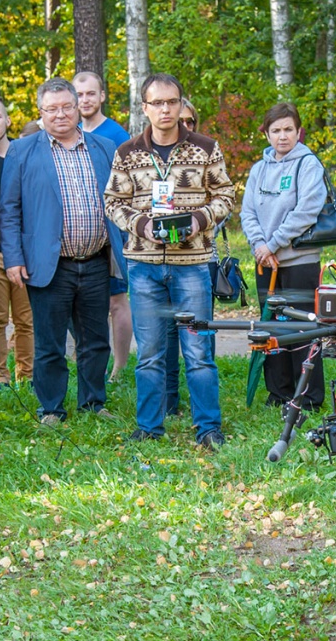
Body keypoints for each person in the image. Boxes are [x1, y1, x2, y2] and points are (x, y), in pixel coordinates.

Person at [104, 73, 234, 449]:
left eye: (172, 102)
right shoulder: (128, 153)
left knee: (198, 351)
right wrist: (141, 224)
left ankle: (208, 428)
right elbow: (112, 202)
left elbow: (224, 194)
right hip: (143, 265)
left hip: (192, 263)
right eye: (157, 103)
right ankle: (149, 426)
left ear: (181, 105)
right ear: (144, 107)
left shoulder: (206, 148)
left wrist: (198, 219)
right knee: (150, 353)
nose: (165, 109)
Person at [0, 77, 125, 425]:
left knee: (95, 340)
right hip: (49, 264)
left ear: (77, 108)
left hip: (97, 261)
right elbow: (8, 210)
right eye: (51, 109)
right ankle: (52, 408)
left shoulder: (103, 148)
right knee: (50, 343)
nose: (60, 114)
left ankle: (93, 402)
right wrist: (13, 259)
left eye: (66, 106)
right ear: (41, 113)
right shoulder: (22, 151)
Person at [240, 102, 327, 409]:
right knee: (273, 329)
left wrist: (274, 244)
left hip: (298, 261)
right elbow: (247, 212)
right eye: (275, 130)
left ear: (298, 131)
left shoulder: (308, 164)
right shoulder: (258, 169)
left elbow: (306, 211)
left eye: (288, 129)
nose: (282, 136)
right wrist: (259, 247)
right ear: (266, 134)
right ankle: (278, 394)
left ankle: (307, 397)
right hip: (265, 262)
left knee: (303, 329)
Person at [73, 71, 133, 382]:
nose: (84, 100)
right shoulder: (70, 130)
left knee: (116, 300)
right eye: (79, 95)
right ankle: (91, 361)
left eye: (90, 94)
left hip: (112, 230)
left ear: (102, 96)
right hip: (80, 234)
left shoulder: (116, 135)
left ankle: (120, 368)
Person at [0, 95, 33, 389]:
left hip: (23, 252)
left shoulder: (21, 154)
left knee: (26, 319)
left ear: (8, 120)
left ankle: (26, 375)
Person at [163, 98, 199, 416]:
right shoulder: (152, 157)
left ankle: (202, 402)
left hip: (197, 258)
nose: (185, 127)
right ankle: (168, 400)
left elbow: (222, 205)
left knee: (198, 332)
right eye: (180, 121)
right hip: (160, 260)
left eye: (190, 122)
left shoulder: (205, 155)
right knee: (165, 335)